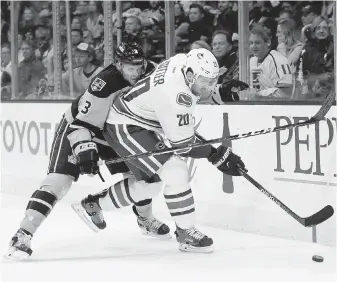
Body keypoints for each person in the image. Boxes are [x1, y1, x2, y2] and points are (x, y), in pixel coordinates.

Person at [72, 48, 247, 254]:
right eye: (206, 82)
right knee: (176, 171)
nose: (209, 86)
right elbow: (183, 144)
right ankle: (186, 233)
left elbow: (189, 102)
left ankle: (93, 205)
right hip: (125, 126)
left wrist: (218, 92)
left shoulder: (183, 61)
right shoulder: (176, 96)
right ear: (190, 75)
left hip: (140, 120)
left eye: (212, 81)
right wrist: (216, 156)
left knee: (150, 186)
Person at [7, 42, 170, 260]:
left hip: (117, 131)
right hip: (81, 127)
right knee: (59, 181)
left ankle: (145, 219)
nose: (136, 72)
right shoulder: (104, 84)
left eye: (138, 66)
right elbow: (83, 125)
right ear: (118, 65)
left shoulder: (152, 71)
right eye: (130, 67)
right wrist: (85, 153)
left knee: (144, 177)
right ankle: (23, 234)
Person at [248, 24, 293, 99]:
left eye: (257, 43)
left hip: (277, 107)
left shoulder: (280, 61)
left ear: (268, 42)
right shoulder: (251, 61)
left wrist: (259, 94)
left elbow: (286, 92)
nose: (253, 46)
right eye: (251, 43)